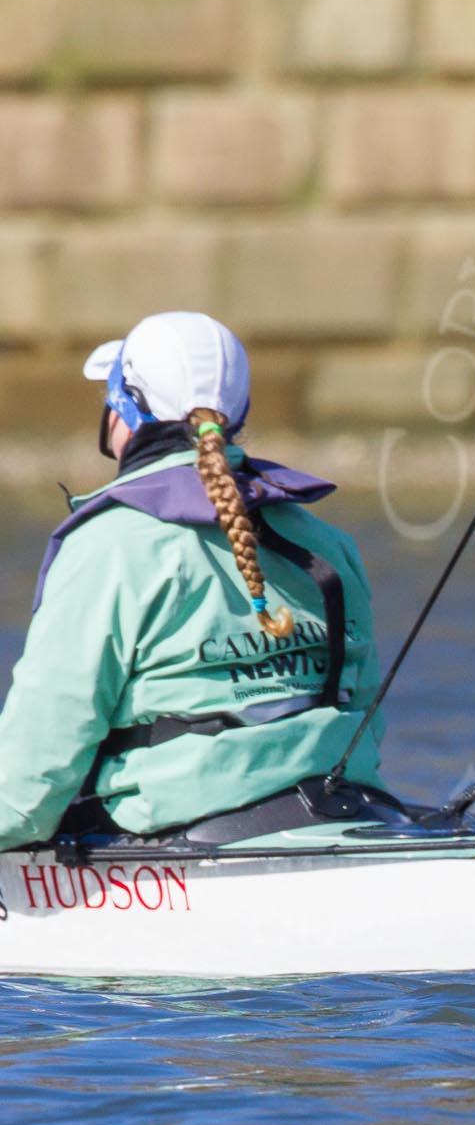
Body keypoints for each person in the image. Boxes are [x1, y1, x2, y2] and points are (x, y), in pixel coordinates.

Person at [0, 312, 386, 849]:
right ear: (238, 415)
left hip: (185, 839)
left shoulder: (109, 547)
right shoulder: (327, 540)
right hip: (346, 811)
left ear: (123, 406)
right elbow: (365, 707)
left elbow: (34, 770)